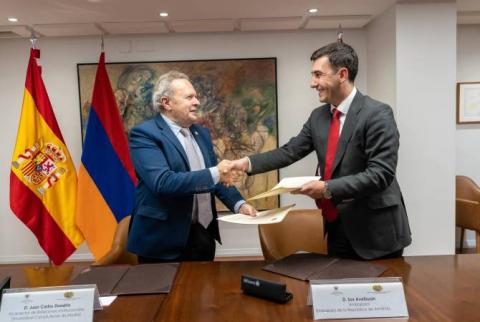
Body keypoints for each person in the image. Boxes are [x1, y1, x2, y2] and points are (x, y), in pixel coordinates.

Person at [229, 42, 411, 260]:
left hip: (376, 230)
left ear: (342, 74)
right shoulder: (318, 117)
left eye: (318, 75)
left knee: (379, 291)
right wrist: (246, 163)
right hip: (336, 224)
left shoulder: (377, 114)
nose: (312, 83)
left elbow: (381, 174)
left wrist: (326, 188)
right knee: (337, 288)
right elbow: (290, 151)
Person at [127, 71, 256, 263]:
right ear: (166, 103)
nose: (197, 102)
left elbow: (215, 178)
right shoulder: (144, 134)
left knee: (203, 292)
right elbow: (163, 182)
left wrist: (239, 204)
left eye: (196, 96)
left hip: (202, 235)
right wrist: (217, 172)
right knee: (162, 294)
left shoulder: (201, 133)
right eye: (189, 97)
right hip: (162, 240)